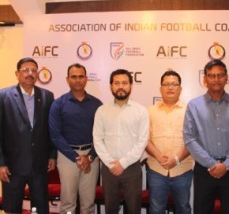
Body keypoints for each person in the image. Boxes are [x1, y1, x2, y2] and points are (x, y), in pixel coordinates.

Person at [183, 59, 229, 214]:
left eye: (220, 75)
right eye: (211, 76)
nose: (216, 79)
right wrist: (212, 163)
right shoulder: (194, 105)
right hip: (204, 170)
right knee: (202, 210)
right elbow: (190, 139)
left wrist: (225, 165)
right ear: (205, 79)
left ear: (226, 78)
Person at [0, 57, 56, 214]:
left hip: (39, 165)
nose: (30, 73)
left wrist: (52, 155)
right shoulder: (3, 96)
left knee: (40, 209)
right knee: (12, 209)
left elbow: (50, 129)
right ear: (17, 73)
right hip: (12, 167)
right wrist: (1, 163)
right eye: (25, 70)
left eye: (33, 70)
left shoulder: (47, 96)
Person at [93, 69, 149, 214]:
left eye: (124, 83)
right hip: (108, 167)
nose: (121, 86)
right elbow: (97, 139)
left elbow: (142, 141)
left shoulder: (141, 111)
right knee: (111, 208)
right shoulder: (102, 111)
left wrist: (123, 163)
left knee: (133, 208)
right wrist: (111, 163)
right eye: (116, 83)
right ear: (111, 86)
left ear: (131, 85)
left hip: (132, 168)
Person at [49, 63, 102, 214]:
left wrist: (90, 156)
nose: (77, 80)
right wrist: (76, 158)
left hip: (91, 156)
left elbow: (102, 135)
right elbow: (55, 135)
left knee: (88, 203)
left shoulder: (97, 104)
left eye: (81, 77)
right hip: (67, 156)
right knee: (68, 203)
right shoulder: (58, 104)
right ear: (67, 79)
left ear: (86, 79)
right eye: (74, 77)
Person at [146, 70, 194, 214]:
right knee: (155, 209)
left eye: (174, 84)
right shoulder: (150, 111)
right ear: (160, 88)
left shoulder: (190, 111)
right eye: (166, 84)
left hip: (182, 170)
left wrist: (177, 160)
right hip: (156, 170)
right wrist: (159, 157)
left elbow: (193, 140)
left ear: (180, 88)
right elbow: (145, 139)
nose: (170, 87)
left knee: (183, 208)